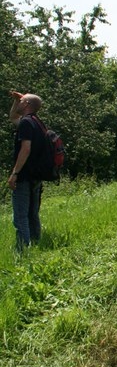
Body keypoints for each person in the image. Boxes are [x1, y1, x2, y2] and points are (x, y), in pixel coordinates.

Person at [7, 92, 46, 252]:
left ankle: (22, 250)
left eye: (22, 101)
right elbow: (13, 117)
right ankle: (36, 244)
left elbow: (26, 148)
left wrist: (15, 173)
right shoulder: (37, 123)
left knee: (21, 215)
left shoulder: (26, 123)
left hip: (24, 175)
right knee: (32, 212)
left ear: (27, 104)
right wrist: (17, 100)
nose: (20, 103)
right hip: (37, 175)